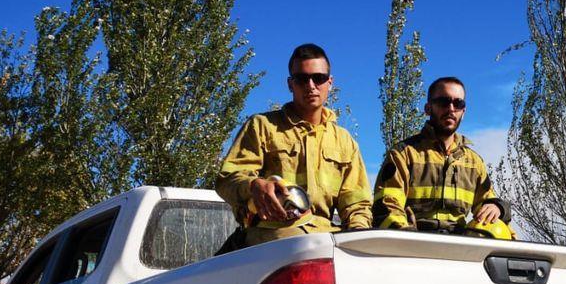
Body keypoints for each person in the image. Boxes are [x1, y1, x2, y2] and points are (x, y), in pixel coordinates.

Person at [215, 43, 372, 246]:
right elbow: (227, 179)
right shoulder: (262, 126)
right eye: (301, 79)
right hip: (272, 236)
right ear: (290, 84)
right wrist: (253, 186)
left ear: (330, 83)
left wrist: (359, 237)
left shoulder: (345, 142)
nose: (311, 85)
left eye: (319, 78)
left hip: (326, 238)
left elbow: (357, 203)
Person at [372, 76, 509, 232]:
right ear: (428, 108)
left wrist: (497, 207)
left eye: (458, 103)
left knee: (497, 230)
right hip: (414, 241)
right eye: (444, 102)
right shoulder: (403, 154)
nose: (451, 108)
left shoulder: (473, 162)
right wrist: (405, 234)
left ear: (463, 112)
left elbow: (487, 200)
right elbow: (386, 203)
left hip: (460, 245)